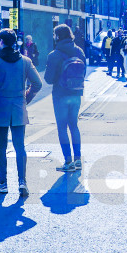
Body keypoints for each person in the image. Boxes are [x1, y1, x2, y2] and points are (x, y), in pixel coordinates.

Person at [0, 29, 42, 195]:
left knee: (1, 147)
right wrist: (25, 99)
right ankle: (22, 182)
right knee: (19, 147)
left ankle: (3, 183)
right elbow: (37, 84)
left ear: (1, 41)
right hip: (18, 107)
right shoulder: (25, 61)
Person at [44, 23, 86, 172]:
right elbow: (83, 72)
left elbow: (48, 79)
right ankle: (78, 160)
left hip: (60, 95)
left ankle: (68, 162)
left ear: (57, 36)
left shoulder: (54, 55)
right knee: (74, 126)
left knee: (62, 128)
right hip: (76, 94)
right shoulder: (79, 51)